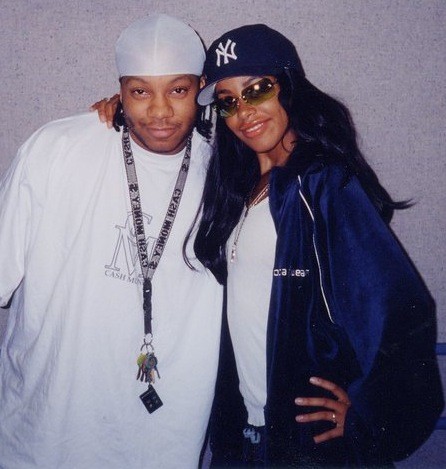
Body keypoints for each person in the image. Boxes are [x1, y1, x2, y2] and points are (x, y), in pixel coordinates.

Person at [188, 25, 443, 467]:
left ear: (288, 86)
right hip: (247, 438)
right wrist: (120, 116)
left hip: (308, 447)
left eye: (257, 90)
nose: (244, 111)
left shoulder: (325, 184)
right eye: (227, 101)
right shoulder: (237, 190)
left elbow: (399, 309)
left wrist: (371, 412)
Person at [0, 14, 222, 468]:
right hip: (43, 434)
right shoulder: (55, 149)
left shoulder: (225, 176)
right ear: (119, 90)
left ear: (201, 89)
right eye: (140, 91)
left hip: (163, 443)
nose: (159, 111)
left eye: (178, 90)